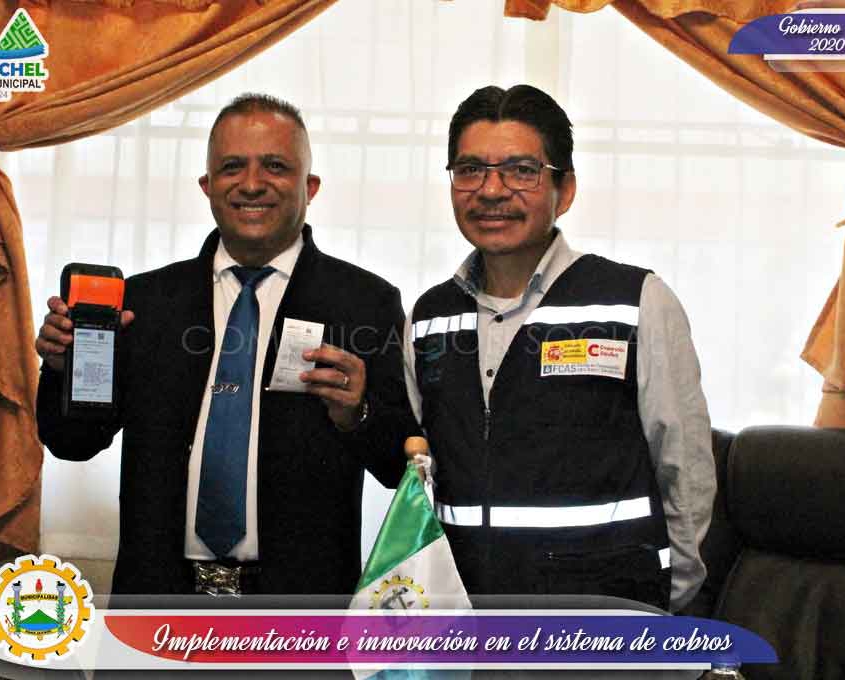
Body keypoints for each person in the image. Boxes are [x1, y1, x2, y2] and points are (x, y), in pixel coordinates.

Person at [35, 93, 416, 595]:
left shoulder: (365, 303)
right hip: (159, 602)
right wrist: (63, 368)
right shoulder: (146, 302)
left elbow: (401, 469)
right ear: (207, 185)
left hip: (299, 610)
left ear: (310, 187)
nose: (252, 184)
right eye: (232, 167)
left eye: (275, 166)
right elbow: (72, 443)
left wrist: (358, 414)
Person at [404, 84, 716, 613]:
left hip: (602, 617)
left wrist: (666, 597)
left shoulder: (634, 301)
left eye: (522, 170)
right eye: (470, 170)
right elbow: (422, 467)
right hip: (470, 617)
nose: (492, 190)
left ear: (564, 190)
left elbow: (684, 466)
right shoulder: (430, 316)